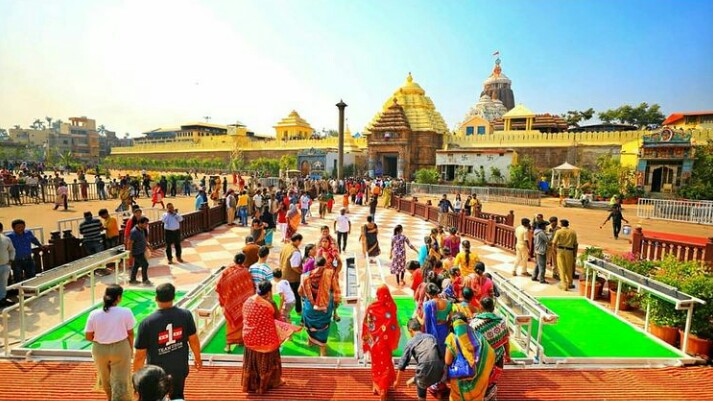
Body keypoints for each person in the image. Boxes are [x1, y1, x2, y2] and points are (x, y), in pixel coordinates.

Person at [133, 283, 202, 401]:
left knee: (156, 397)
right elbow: (193, 340)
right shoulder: (185, 315)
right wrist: (198, 358)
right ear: (174, 297)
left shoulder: (147, 323)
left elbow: (140, 356)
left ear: (156, 298)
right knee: (177, 396)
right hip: (179, 367)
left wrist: (137, 378)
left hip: (156, 373)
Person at [242, 280, 301, 394]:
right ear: (269, 292)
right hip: (266, 341)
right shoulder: (271, 304)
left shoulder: (248, 301)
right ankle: (272, 382)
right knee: (270, 354)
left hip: (249, 338)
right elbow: (278, 319)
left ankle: (252, 384)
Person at [84, 284, 135, 401]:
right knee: (121, 378)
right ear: (118, 297)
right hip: (120, 347)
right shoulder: (125, 312)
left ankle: (110, 398)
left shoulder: (94, 314)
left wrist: (101, 339)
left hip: (100, 349)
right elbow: (131, 333)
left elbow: (88, 336)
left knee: (105, 377)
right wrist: (130, 349)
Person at [362, 285, 400, 401]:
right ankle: (383, 390)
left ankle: (377, 387)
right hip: (385, 344)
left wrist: (368, 343)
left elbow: (367, 327)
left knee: (376, 365)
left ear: (378, 294)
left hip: (374, 344)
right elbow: (394, 326)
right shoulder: (391, 307)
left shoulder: (371, 308)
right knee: (386, 366)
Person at [444, 314, 496, 401]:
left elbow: (447, 361)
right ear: (466, 323)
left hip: (460, 378)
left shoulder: (451, 338)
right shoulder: (478, 336)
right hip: (478, 380)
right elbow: (491, 354)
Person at [298, 256, 340, 356]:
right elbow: (336, 291)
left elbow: (300, 292)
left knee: (310, 324)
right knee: (323, 327)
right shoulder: (330, 274)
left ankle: (310, 341)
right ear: (325, 265)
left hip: (310, 307)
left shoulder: (305, 276)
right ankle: (322, 350)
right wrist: (335, 304)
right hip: (325, 308)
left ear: (315, 265)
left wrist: (308, 297)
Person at [394, 318, 445, 401]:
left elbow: (402, 364)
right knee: (427, 369)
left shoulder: (411, 342)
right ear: (420, 328)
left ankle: (418, 386)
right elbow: (440, 355)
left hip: (424, 374)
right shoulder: (431, 337)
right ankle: (435, 388)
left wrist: (397, 382)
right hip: (439, 373)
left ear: (410, 331)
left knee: (422, 378)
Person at [471, 297, 510, 395]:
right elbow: (506, 341)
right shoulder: (501, 322)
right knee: (491, 381)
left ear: (481, 307)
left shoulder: (474, 324)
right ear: (493, 307)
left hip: (480, 360)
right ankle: (490, 391)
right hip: (497, 358)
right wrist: (508, 355)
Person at [217, 252, 255, 352]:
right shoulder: (245, 272)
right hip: (243, 303)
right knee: (242, 322)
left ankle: (229, 346)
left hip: (230, 303)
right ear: (243, 261)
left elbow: (218, 285)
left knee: (230, 322)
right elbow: (250, 288)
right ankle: (241, 341)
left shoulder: (226, 271)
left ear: (234, 259)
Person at [421, 283, 452, 355]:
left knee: (434, 351)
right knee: (443, 350)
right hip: (444, 329)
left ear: (428, 294)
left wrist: (417, 317)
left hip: (432, 330)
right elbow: (450, 319)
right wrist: (446, 326)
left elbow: (423, 322)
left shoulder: (428, 304)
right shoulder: (448, 303)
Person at [280, 233, 304, 314]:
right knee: (296, 295)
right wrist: (302, 272)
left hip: (284, 275)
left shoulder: (286, 246)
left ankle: (284, 311)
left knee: (286, 295)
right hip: (292, 278)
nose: (300, 243)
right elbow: (294, 266)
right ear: (297, 240)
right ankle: (298, 311)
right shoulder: (295, 252)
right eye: (300, 241)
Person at [552, 219, 578, 291]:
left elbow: (554, 243)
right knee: (569, 267)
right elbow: (575, 244)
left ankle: (563, 284)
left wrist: (554, 251)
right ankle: (570, 283)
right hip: (570, 251)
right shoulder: (573, 232)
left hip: (560, 250)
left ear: (561, 225)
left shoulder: (559, 231)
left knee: (561, 267)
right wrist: (574, 254)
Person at [126, 217, 151, 285]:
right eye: (145, 224)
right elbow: (130, 242)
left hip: (141, 251)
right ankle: (145, 280)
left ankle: (132, 279)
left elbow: (143, 239)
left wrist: (148, 245)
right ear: (140, 223)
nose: (146, 225)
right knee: (145, 264)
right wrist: (130, 253)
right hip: (137, 252)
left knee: (136, 265)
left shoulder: (141, 229)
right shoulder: (134, 231)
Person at [0, 223, 16, 307]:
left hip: (4, 265)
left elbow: (12, 250)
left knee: (3, 283)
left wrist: (10, 260)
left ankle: (2, 299)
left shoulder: (6, 239)